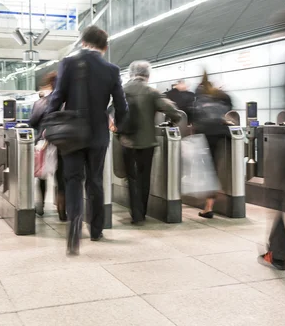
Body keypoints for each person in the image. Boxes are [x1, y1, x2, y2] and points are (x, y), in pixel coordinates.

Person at [46, 25, 128, 255]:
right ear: (105, 46)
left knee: (73, 179)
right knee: (95, 181)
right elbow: (121, 105)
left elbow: (57, 96)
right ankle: (96, 229)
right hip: (98, 134)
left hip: (71, 132)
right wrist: (117, 124)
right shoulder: (111, 69)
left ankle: (74, 227)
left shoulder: (68, 63)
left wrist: (49, 123)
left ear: (83, 42)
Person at [120, 61, 181, 225]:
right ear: (148, 74)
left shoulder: (122, 90)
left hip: (126, 141)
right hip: (147, 143)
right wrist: (174, 120)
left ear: (131, 73)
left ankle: (135, 213)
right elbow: (172, 111)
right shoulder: (152, 92)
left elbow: (112, 112)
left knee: (131, 178)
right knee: (144, 177)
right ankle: (142, 213)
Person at [194, 72, 233, 219]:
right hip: (222, 134)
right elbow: (229, 110)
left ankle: (208, 206)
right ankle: (211, 202)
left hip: (205, 135)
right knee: (216, 169)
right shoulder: (221, 97)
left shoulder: (199, 96)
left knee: (208, 170)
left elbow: (192, 115)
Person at [29, 71, 67, 221]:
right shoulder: (68, 101)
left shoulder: (41, 102)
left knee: (42, 175)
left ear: (50, 84)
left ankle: (40, 207)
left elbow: (32, 122)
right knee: (62, 178)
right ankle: (62, 212)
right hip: (63, 143)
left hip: (44, 143)